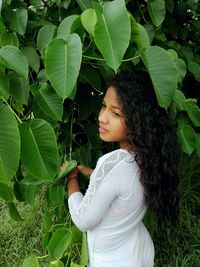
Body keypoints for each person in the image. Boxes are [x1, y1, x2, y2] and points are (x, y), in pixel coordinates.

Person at [66, 70, 179, 267]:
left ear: (139, 121)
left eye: (115, 113)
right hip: (134, 251)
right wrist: (94, 175)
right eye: (104, 106)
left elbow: (83, 220)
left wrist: (71, 179)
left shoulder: (114, 162)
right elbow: (125, 187)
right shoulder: (150, 156)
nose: (102, 117)